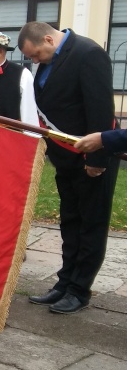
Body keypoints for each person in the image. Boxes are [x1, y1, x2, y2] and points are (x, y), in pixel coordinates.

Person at [18, 21, 119, 314]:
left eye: (36, 55)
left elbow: (101, 109)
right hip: (66, 157)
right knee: (70, 222)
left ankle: (79, 289)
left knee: (90, 224)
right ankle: (64, 282)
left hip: (91, 158)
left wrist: (97, 160)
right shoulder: (52, 58)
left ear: (49, 39)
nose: (35, 61)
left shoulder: (88, 54)